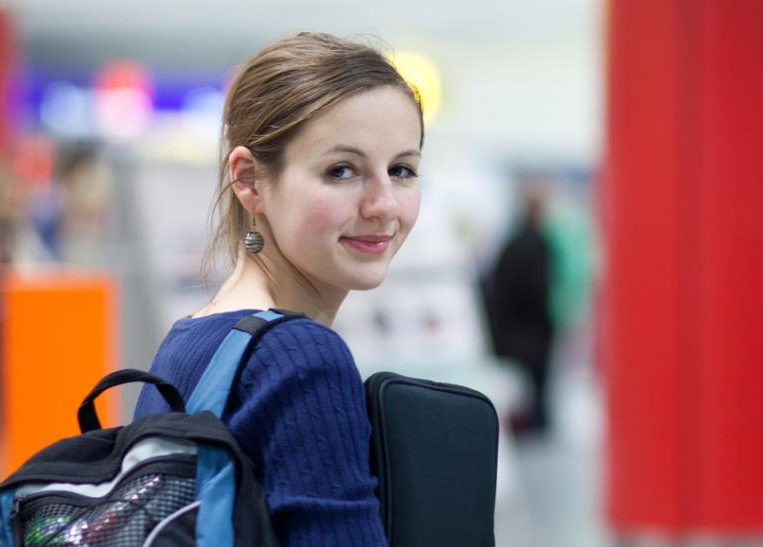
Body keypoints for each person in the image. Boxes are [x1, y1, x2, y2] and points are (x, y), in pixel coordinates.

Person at [133, 32, 424, 546]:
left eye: (401, 170)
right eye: (342, 170)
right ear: (249, 181)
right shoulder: (300, 356)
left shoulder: (190, 339)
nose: (384, 205)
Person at [485, 178, 554, 434]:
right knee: (531, 390)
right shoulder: (535, 244)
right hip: (528, 334)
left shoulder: (513, 243)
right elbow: (537, 292)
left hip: (515, 332)